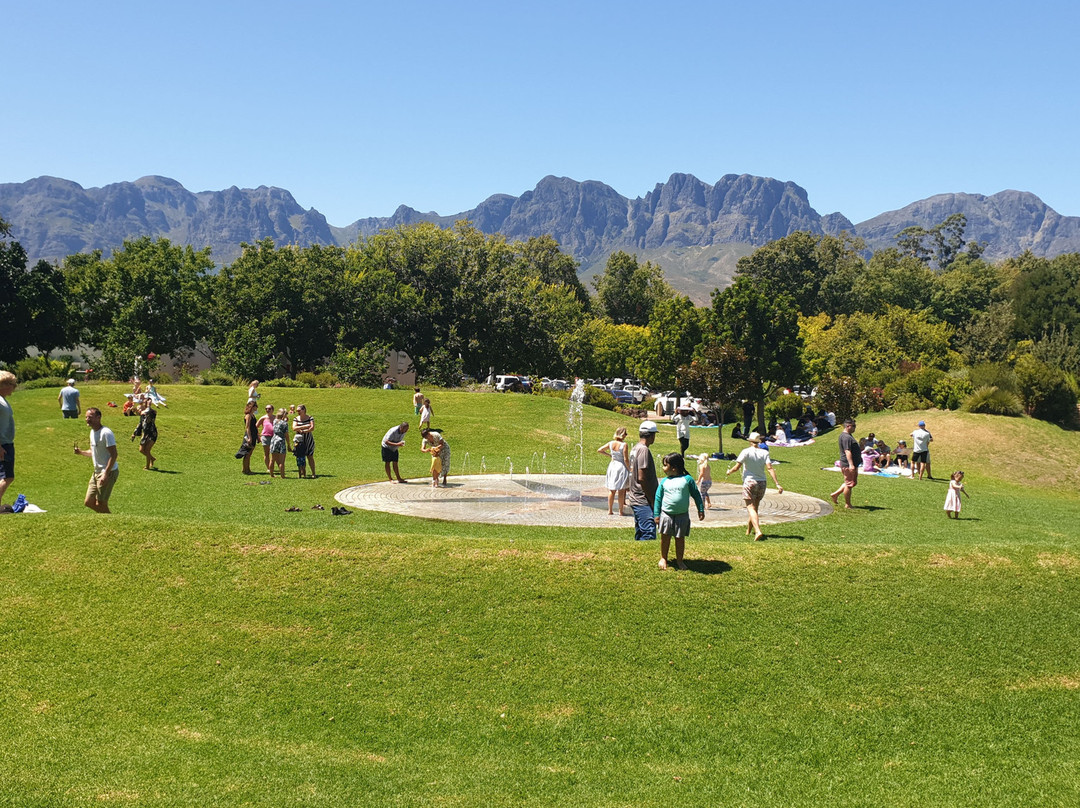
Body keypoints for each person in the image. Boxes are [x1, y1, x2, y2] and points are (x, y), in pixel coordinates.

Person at [725, 432, 783, 540]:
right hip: (762, 482)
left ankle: (757, 531)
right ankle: (748, 531)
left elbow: (737, 467)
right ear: (759, 442)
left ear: (750, 441)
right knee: (754, 508)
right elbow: (770, 468)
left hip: (750, 482)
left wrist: (729, 472)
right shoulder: (764, 452)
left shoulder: (745, 452)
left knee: (750, 508)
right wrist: (777, 484)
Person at [654, 452, 705, 570]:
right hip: (666, 514)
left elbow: (696, 495)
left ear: (674, 467)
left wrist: (700, 509)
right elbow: (658, 498)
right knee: (665, 537)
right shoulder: (664, 481)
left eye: (665, 465)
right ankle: (663, 558)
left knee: (680, 538)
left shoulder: (687, 480)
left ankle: (680, 560)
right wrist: (657, 514)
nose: (663, 468)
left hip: (682, 515)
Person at [74, 407, 118, 513]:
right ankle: (108, 518)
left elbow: (114, 455)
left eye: (90, 417)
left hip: (108, 472)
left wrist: (105, 474)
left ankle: (110, 522)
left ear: (98, 418)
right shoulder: (92, 432)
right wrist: (81, 452)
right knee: (88, 502)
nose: (87, 419)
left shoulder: (106, 433)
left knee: (101, 503)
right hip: (96, 472)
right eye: (86, 417)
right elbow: (93, 452)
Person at [627, 420, 659, 542]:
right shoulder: (644, 450)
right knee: (648, 532)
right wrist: (652, 499)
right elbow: (642, 477)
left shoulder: (635, 448)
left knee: (641, 531)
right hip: (642, 499)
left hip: (636, 497)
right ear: (651, 435)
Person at [597, 427, 631, 516]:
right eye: (625, 433)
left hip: (612, 466)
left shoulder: (611, 443)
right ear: (622, 434)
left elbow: (600, 450)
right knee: (621, 490)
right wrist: (630, 469)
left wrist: (610, 455)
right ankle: (620, 511)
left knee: (612, 490)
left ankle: (610, 510)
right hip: (621, 467)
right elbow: (626, 459)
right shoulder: (624, 445)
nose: (626, 435)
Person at [829, 418, 861, 510]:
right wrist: (851, 465)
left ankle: (835, 494)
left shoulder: (848, 436)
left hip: (853, 464)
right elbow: (847, 451)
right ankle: (848, 504)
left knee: (851, 483)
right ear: (848, 426)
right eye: (854, 426)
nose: (855, 428)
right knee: (849, 484)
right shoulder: (846, 437)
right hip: (848, 464)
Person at [0, 371, 17, 508]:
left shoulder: (3, 399)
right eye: (12, 384)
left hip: (6, 443)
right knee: (7, 477)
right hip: (3, 444)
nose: (14, 387)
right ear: (3, 385)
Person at [132, 397, 158, 470]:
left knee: (147, 450)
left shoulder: (153, 412)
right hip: (145, 433)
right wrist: (134, 433)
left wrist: (149, 406)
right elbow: (140, 423)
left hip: (152, 433)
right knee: (141, 450)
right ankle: (152, 458)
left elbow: (149, 413)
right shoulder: (142, 413)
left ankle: (147, 466)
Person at [292, 404, 316, 478]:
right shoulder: (296, 418)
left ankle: (313, 473)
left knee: (310, 456)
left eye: (299, 410)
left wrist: (304, 430)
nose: (298, 412)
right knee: (300, 456)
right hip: (299, 440)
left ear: (304, 410)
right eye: (297, 411)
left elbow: (312, 427)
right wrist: (305, 426)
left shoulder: (310, 418)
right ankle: (302, 473)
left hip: (308, 439)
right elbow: (294, 428)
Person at [268, 407, 289, 478]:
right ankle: (282, 476)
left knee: (272, 459)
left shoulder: (274, 421)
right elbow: (286, 434)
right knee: (281, 461)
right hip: (281, 440)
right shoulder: (284, 423)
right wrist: (288, 444)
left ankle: (271, 474)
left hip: (274, 440)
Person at [241, 401, 259, 475]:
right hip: (250, 435)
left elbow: (254, 426)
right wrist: (249, 437)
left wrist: (258, 436)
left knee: (250, 453)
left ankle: (247, 469)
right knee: (247, 453)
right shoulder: (248, 415)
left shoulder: (253, 415)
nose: (256, 407)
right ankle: (246, 470)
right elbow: (247, 427)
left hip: (254, 435)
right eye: (255, 406)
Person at [257, 403, 275, 471]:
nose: (267, 410)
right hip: (265, 437)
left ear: (272, 410)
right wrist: (258, 436)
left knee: (274, 453)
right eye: (266, 409)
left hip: (274, 437)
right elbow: (256, 427)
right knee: (266, 453)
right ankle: (268, 468)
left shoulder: (275, 417)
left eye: (269, 409)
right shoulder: (263, 418)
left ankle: (272, 466)